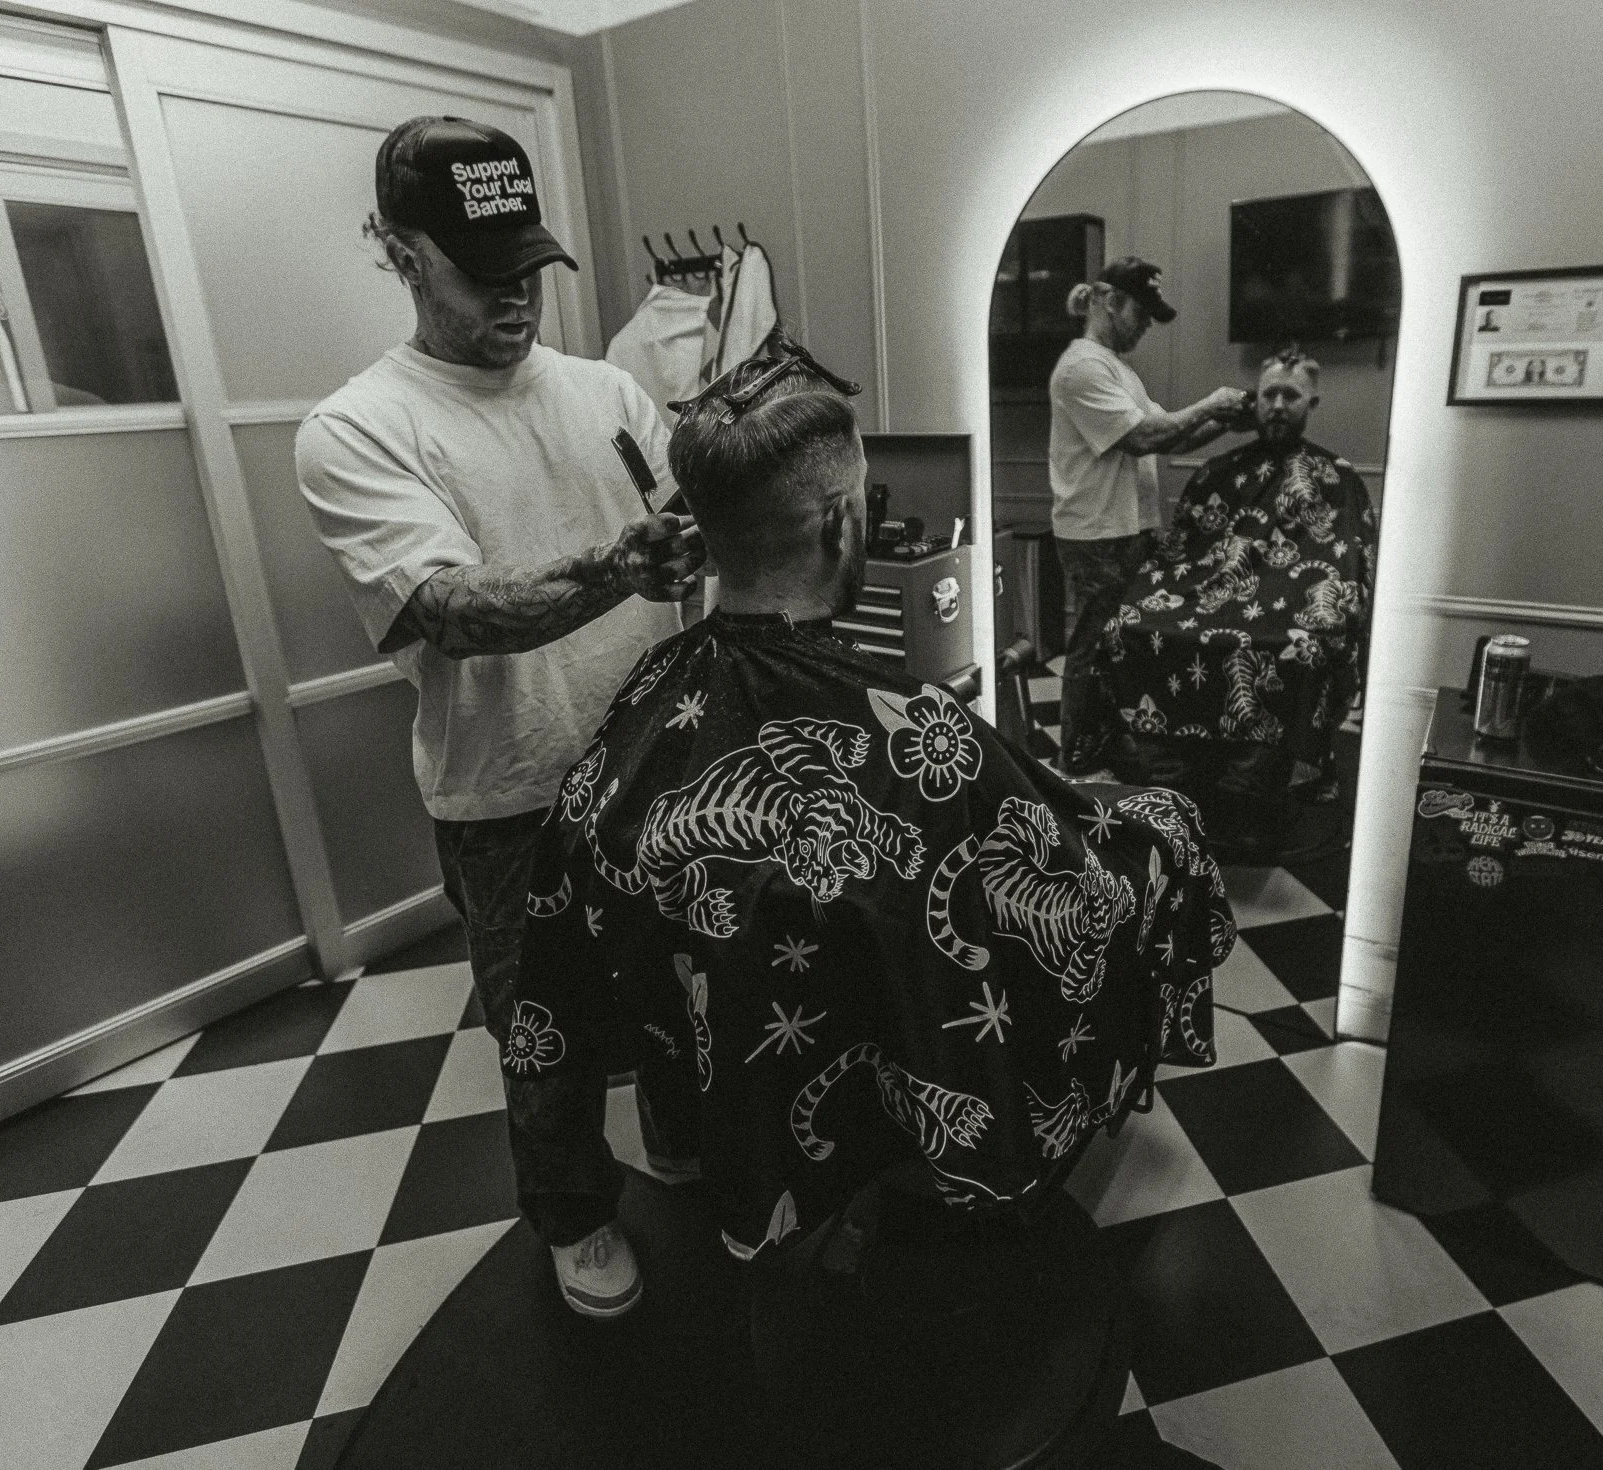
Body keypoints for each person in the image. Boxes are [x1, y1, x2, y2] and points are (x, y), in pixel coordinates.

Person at [507, 330, 1234, 1263]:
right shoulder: (909, 728)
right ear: (842, 526)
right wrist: (1151, 823)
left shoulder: (648, 702)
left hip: (730, 1038)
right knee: (1160, 831)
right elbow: (1047, 876)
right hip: (870, 1024)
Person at [295, 116, 707, 1319]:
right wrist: (617, 569)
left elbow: (683, 524)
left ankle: (684, 1146)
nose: (517, 295)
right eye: (485, 273)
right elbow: (451, 612)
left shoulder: (610, 390)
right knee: (548, 1035)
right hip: (508, 798)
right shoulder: (359, 428)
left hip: (654, 769)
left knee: (683, 988)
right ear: (401, 252)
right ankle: (575, 1216)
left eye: (529, 267)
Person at [1099, 346, 1377, 853]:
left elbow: (1346, 569)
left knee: (1301, 647)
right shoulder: (1218, 471)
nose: (1276, 405)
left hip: (1290, 608)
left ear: (1311, 402)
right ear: (1253, 400)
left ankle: (1248, 784)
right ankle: (1174, 776)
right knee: (1128, 626)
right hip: (1206, 596)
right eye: (1268, 393)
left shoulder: (1338, 477)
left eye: (1289, 395)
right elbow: (1179, 550)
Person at [1047, 257, 1251, 777]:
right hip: (1096, 533)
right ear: (1110, 300)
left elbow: (1172, 434)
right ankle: (1075, 751)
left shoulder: (1120, 372)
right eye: (1142, 312)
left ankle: (1110, 739)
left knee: (1120, 645)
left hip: (1128, 528)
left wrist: (1227, 421)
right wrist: (1209, 404)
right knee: (1093, 646)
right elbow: (1142, 439)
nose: (1146, 325)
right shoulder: (1080, 368)